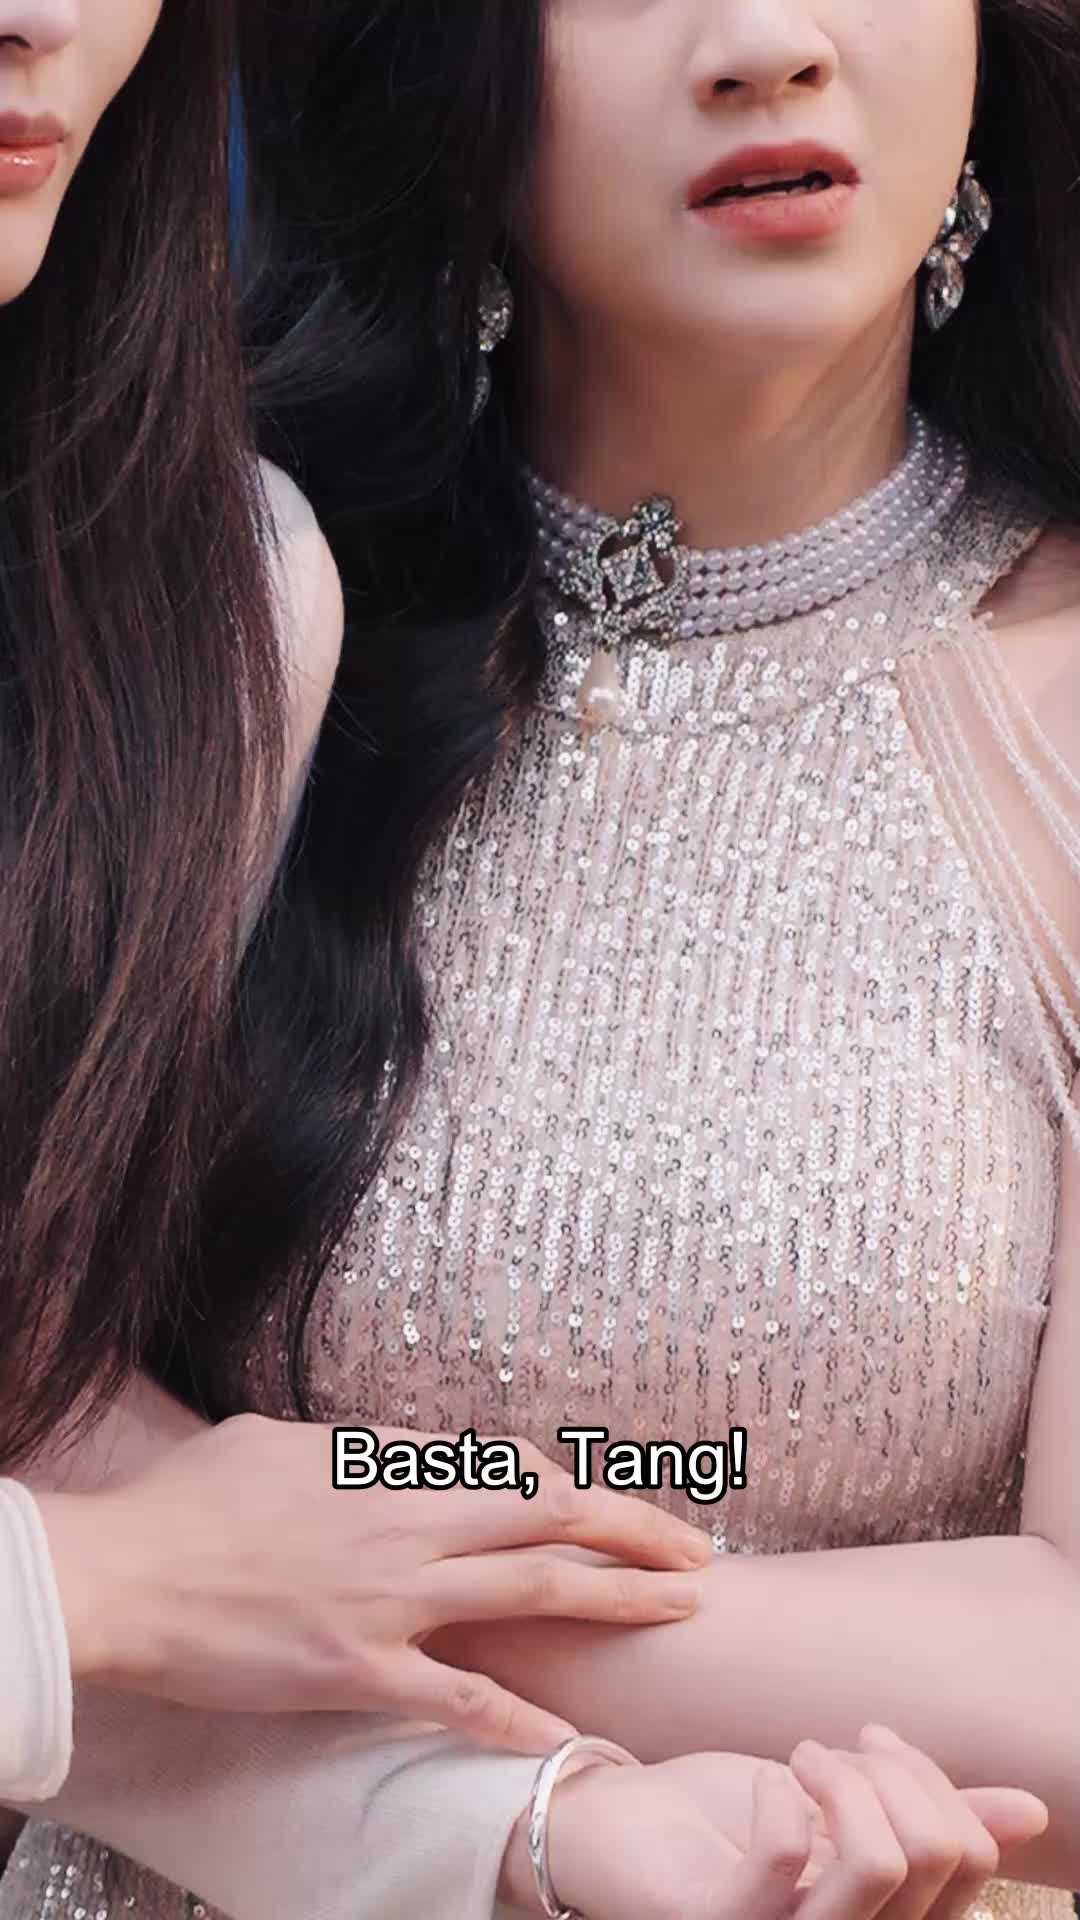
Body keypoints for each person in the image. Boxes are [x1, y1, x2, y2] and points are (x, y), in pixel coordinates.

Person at [0, 0, 1069, 1915]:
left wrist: (308, 1563)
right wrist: (152, 1579)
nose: (763, 42)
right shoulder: (208, 604)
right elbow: (34, 1408)